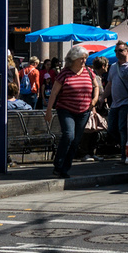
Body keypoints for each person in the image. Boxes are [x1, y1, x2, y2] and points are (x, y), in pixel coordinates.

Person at [45, 48, 98, 178]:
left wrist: (95, 99)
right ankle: (58, 164)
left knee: (75, 141)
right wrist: (49, 111)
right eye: (81, 58)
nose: (84, 61)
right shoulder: (65, 73)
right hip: (66, 109)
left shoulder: (89, 72)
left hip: (84, 111)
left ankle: (65, 169)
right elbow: (54, 93)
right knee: (69, 135)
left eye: (85, 58)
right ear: (73, 59)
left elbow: (96, 86)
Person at [108, 41, 128, 161]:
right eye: (116, 51)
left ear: (127, 51)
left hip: (126, 102)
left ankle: (124, 155)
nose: (117, 53)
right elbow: (110, 83)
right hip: (115, 103)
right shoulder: (113, 67)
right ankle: (125, 146)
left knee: (122, 128)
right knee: (111, 129)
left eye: (120, 50)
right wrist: (103, 97)